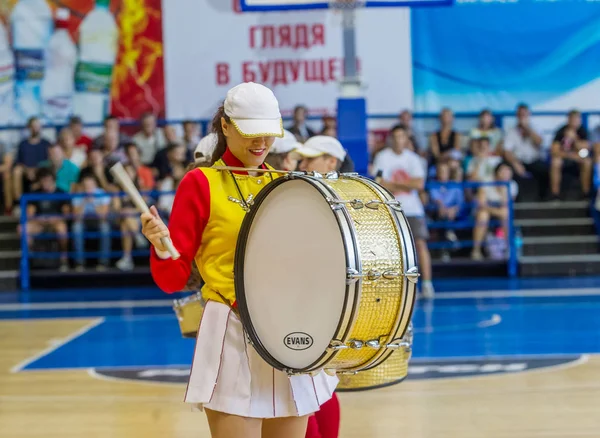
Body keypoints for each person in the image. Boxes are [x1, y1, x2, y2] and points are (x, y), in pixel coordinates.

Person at [141, 82, 338, 438]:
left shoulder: (285, 183)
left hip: (287, 333)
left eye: (268, 133)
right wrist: (159, 245)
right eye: (250, 133)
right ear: (226, 126)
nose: (261, 143)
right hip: (230, 330)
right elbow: (172, 279)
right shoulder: (200, 183)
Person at [372, 125, 434, 299]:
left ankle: (428, 284)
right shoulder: (382, 157)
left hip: (413, 209)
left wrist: (393, 184)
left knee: (420, 245)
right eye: (396, 136)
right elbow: (379, 182)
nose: (399, 140)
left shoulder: (413, 158)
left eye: (402, 136)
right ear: (391, 138)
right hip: (390, 207)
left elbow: (419, 184)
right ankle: (391, 285)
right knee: (389, 249)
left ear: (406, 139)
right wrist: (407, 183)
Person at [18, 168, 70, 271]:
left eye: (48, 180)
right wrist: (40, 219)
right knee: (22, 229)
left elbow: (66, 213)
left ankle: (64, 256)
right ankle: (30, 256)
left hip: (56, 223)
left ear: (53, 180)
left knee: (62, 230)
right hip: (39, 223)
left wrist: (55, 219)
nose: (45, 182)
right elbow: (30, 214)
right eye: (43, 180)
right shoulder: (35, 193)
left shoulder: (61, 192)